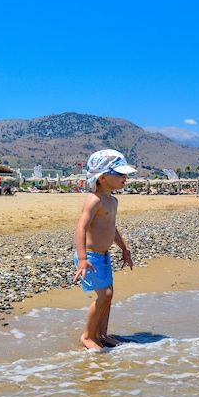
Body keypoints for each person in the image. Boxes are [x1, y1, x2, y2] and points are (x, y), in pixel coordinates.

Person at [73, 149, 137, 350]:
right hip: (90, 256)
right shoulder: (94, 200)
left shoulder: (113, 200)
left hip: (104, 256)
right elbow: (81, 228)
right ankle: (88, 335)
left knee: (108, 297)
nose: (125, 177)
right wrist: (82, 258)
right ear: (102, 177)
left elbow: (112, 228)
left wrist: (124, 249)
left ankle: (101, 335)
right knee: (105, 295)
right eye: (119, 174)